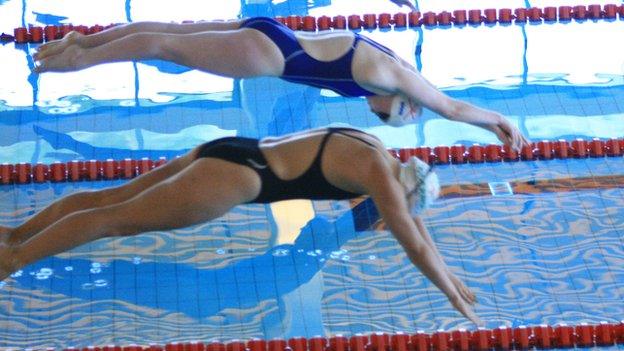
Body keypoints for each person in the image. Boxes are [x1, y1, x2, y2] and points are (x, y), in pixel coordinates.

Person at [0, 127, 481, 324]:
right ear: (401, 194)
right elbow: (413, 244)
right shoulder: (381, 180)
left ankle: (16, 235)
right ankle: (13, 258)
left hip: (230, 149)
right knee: (114, 221)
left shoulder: (375, 148)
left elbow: (419, 237)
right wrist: (451, 294)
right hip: (237, 179)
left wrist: (455, 277)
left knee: (111, 199)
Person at [33, 17, 528, 150]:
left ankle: (84, 42)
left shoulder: (388, 68)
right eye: (397, 114)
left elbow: (433, 103)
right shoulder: (390, 75)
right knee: (165, 46)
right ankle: (79, 58)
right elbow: (449, 108)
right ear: (394, 100)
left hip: (275, 33)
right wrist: (498, 120)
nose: (401, 114)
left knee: (170, 34)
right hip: (271, 55)